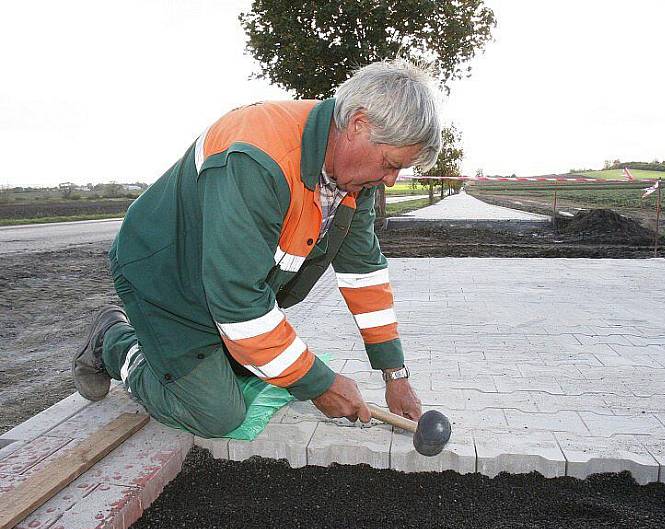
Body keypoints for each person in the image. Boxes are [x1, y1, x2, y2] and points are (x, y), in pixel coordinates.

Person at [71, 60, 442, 438]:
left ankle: (204, 356)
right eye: (390, 164)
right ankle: (113, 343)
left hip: (221, 282)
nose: (392, 181)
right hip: (165, 277)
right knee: (217, 413)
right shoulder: (259, 158)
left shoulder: (355, 182)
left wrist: (394, 374)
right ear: (359, 124)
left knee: (264, 362)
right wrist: (318, 384)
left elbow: (364, 275)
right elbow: (237, 301)